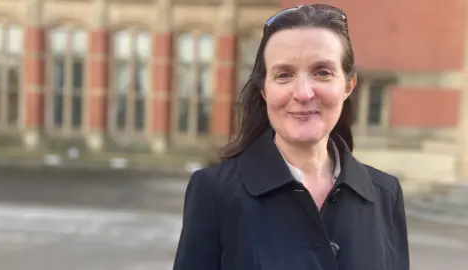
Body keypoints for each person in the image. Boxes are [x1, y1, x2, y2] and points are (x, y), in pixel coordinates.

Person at [173, 4, 410, 270]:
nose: (304, 93)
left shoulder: (385, 195)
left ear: (348, 85)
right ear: (264, 90)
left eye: (322, 72)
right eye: (284, 75)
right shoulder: (215, 193)